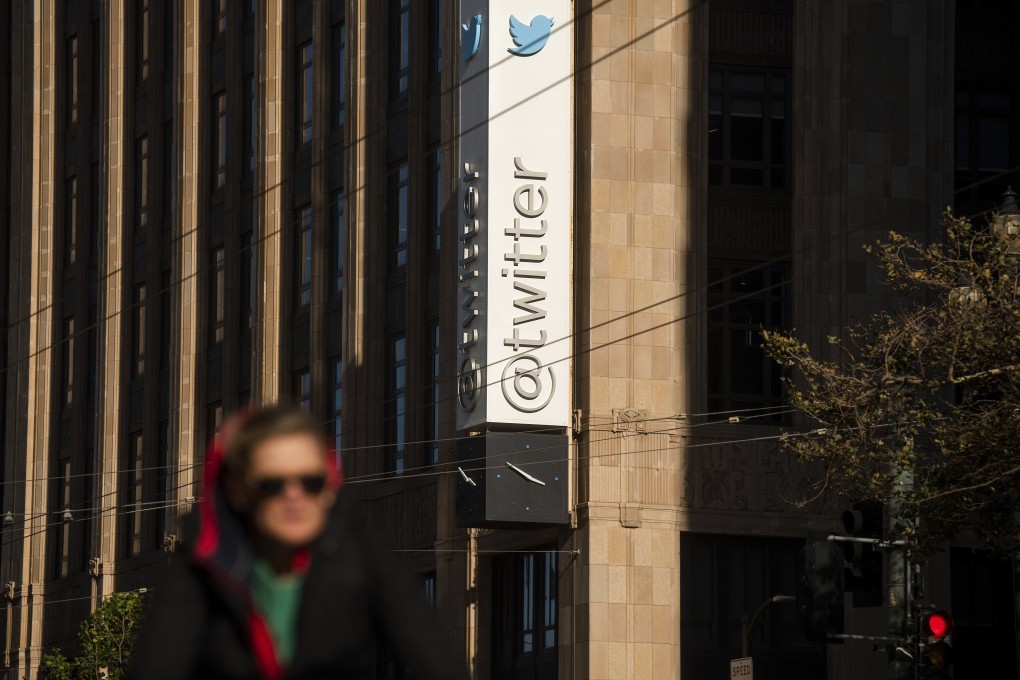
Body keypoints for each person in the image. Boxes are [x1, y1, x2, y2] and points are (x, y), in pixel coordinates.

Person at [128, 405, 468, 680]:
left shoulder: (357, 550)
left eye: (311, 482)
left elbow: (433, 655)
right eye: (272, 485)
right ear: (237, 491)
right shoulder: (204, 562)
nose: (294, 497)